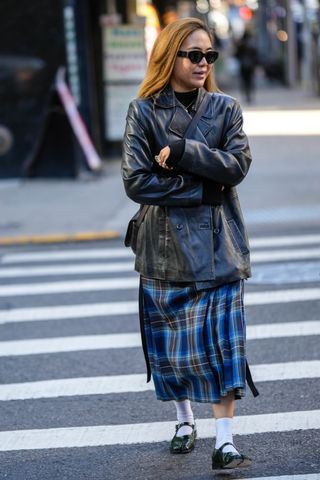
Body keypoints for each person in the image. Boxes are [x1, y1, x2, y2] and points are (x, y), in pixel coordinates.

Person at [122, 17, 258, 471]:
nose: (203, 63)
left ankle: (225, 440)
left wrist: (181, 154)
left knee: (224, 348)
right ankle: (184, 422)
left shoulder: (225, 108)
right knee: (170, 351)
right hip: (162, 250)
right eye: (193, 55)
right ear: (169, 57)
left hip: (220, 249)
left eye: (209, 56)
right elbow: (137, 182)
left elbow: (236, 167)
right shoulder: (142, 110)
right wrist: (203, 188)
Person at [235, 30, 258, 104]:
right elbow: (255, 55)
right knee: (250, 81)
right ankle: (250, 95)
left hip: (243, 66)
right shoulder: (252, 45)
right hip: (251, 66)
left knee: (244, 81)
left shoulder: (241, 45)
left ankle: (246, 95)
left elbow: (237, 55)